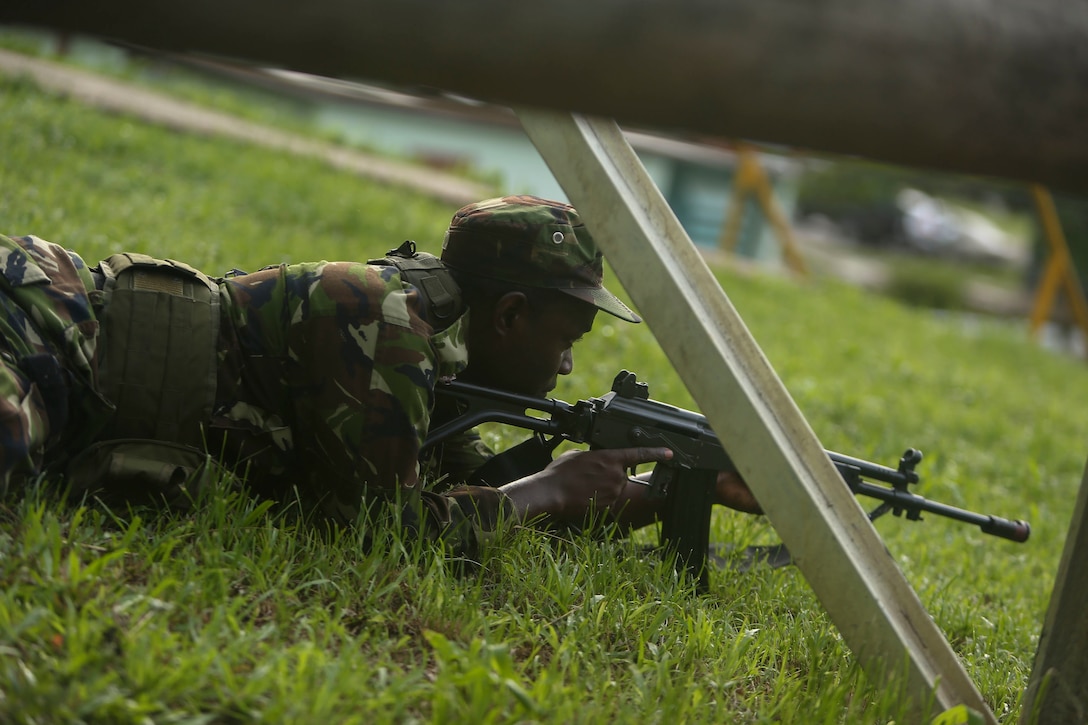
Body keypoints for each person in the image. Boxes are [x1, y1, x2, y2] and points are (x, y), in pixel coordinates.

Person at [0, 194, 757, 558]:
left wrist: (645, 496)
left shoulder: (437, 344)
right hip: (54, 330)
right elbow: (377, 528)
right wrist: (550, 491)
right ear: (510, 315)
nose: (567, 365)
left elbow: (451, 489)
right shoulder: (387, 322)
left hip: (77, 360)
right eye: (568, 338)